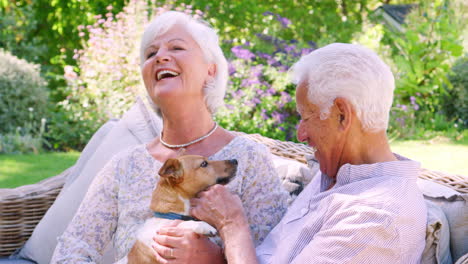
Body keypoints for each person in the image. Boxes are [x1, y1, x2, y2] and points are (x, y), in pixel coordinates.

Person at [51, 11, 289, 263]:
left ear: (210, 71)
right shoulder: (125, 166)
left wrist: (215, 258)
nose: (160, 57)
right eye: (150, 54)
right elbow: (72, 250)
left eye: (176, 47)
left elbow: (277, 255)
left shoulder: (250, 159)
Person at [179, 43, 427, 263]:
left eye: (305, 116)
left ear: (342, 115)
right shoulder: (335, 173)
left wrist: (231, 223)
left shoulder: (377, 216)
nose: (300, 134)